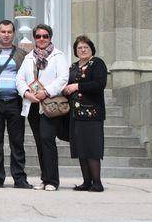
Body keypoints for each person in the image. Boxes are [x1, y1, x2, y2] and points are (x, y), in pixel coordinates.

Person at [0, 20, 32, 189]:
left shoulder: (22, 55)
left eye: (9, 32)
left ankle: (19, 178)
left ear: (14, 34)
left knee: (17, 142)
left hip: (15, 103)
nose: (6, 35)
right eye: (3, 32)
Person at [16, 24, 69, 191]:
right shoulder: (29, 57)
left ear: (50, 38)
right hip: (33, 105)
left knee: (47, 139)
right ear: (34, 38)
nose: (41, 39)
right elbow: (19, 79)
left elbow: (63, 78)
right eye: (38, 36)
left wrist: (46, 92)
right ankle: (45, 179)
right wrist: (26, 93)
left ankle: (53, 181)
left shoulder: (58, 56)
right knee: (39, 142)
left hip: (50, 104)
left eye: (45, 36)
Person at [63, 35, 107, 192]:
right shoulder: (73, 66)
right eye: (79, 48)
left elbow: (99, 84)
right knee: (81, 148)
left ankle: (97, 183)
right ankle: (86, 182)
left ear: (91, 49)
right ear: (75, 51)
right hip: (75, 113)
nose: (82, 50)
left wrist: (77, 86)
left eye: (85, 47)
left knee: (92, 148)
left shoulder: (97, 63)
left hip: (92, 114)